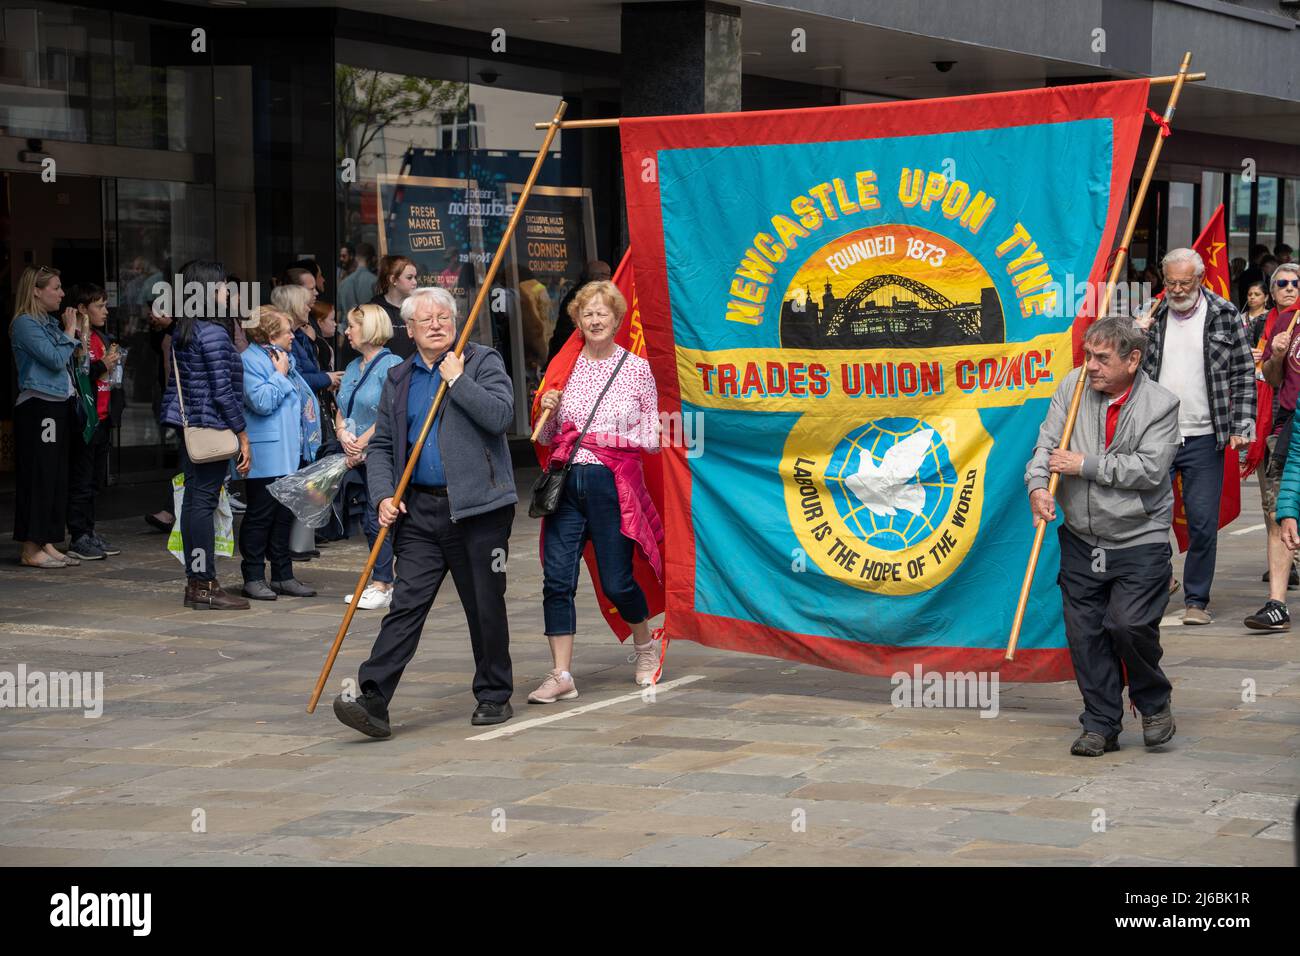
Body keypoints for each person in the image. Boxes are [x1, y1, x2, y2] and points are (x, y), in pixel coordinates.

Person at [333, 287, 517, 736]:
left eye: (444, 317)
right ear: (409, 329)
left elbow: (500, 417)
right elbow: (381, 446)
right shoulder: (400, 377)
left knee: (484, 604)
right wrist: (382, 495)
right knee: (405, 605)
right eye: (426, 319)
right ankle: (374, 697)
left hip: (478, 511)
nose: (437, 324)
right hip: (420, 512)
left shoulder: (481, 361)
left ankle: (494, 694)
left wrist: (459, 380)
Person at [1025, 316, 1180, 756]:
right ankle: (1100, 723)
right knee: (1085, 632)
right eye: (1088, 355)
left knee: (1128, 625)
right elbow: (1046, 446)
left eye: (1101, 358)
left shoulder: (1161, 404)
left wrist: (1085, 465)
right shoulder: (1072, 387)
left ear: (1133, 360)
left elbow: (1150, 471)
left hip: (1139, 535)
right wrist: (1037, 486)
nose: (1090, 366)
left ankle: (1153, 700)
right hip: (1080, 535)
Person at [532, 280, 664, 700]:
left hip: (613, 485)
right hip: (567, 481)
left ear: (616, 319)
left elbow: (652, 436)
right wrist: (549, 409)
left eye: (601, 313)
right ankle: (561, 675)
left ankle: (645, 647)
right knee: (556, 580)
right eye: (587, 313)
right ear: (577, 321)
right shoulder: (565, 367)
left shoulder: (636, 369)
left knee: (617, 582)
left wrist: (611, 439)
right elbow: (547, 435)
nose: (594, 319)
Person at [1133, 247, 1255, 624]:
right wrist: (1135, 335)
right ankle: (1158, 582)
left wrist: (1241, 425)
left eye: (1185, 282)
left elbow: (1243, 372)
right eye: (1170, 282)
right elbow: (1125, 363)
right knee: (1148, 517)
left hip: (1206, 434)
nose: (1177, 289)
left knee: (1203, 521)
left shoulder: (1224, 313)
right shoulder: (1152, 313)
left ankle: (1196, 601)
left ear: (1200, 280)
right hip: (1157, 435)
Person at [159, 259, 252, 610]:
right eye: (223, 285)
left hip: (191, 429)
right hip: (211, 428)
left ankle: (198, 583)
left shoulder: (188, 330)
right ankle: (203, 584)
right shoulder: (211, 332)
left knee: (196, 503)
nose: (228, 291)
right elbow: (222, 391)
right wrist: (241, 434)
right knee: (202, 502)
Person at [237, 305, 319, 600]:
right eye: (287, 331)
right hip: (267, 454)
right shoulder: (249, 361)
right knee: (261, 515)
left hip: (287, 451)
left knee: (284, 515)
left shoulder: (283, 357)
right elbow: (260, 401)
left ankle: (283, 575)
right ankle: (254, 576)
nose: (293, 336)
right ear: (270, 334)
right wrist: (280, 376)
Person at [10, 265, 81, 568]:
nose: (62, 293)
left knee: (55, 475)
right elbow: (54, 359)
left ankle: (46, 539)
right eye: (56, 287)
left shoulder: (48, 323)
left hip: (58, 404)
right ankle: (30, 546)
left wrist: (72, 333)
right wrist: (68, 333)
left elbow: (70, 357)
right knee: (40, 474)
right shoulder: (25, 324)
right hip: (39, 407)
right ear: (36, 291)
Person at [335, 303, 404, 609]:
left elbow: (392, 414)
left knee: (377, 518)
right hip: (355, 453)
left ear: (370, 328)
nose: (346, 331)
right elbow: (341, 407)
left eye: (351, 325)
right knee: (368, 518)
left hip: (379, 454)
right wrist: (341, 434)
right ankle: (383, 579)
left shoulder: (392, 365)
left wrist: (360, 443)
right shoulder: (352, 367)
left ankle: (382, 583)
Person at [1247, 263, 1300, 630]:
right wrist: (1277, 354)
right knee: (1277, 512)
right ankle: (1276, 604)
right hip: (1285, 426)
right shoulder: (1279, 325)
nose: (1290, 288)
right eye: (1282, 283)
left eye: (1297, 283)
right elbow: (1271, 377)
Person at [66, 283, 124, 561]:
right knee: (81, 480)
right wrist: (103, 366)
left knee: (95, 481)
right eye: (99, 306)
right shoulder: (74, 337)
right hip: (83, 419)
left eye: (105, 305)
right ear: (81, 309)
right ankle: (78, 535)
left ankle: (88, 532)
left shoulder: (101, 336)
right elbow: (79, 375)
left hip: (102, 417)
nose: (105, 310)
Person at [271, 284, 342, 395]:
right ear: (294, 307)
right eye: (305, 304)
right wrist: (328, 378)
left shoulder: (300, 335)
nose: (309, 308)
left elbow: (312, 370)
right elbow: (297, 379)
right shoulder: (286, 341)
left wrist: (331, 377)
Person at [547, 260, 611, 364]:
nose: (610, 279)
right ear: (598, 277)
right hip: (575, 355)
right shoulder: (588, 297)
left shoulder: (578, 293)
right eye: (607, 275)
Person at [370, 255, 418, 359]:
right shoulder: (374, 310)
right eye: (409, 277)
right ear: (393, 279)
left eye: (415, 277)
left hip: (413, 371)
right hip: (383, 372)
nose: (415, 282)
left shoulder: (418, 308)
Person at [336, 242, 377, 326]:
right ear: (372, 259)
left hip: (349, 331)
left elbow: (339, 314)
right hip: (370, 331)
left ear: (355, 258)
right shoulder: (374, 281)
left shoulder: (343, 283)